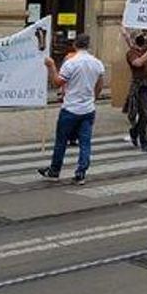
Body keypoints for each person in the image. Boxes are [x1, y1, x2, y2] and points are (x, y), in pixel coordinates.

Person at [38, 34, 106, 184]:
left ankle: (55, 171)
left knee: (61, 141)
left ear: (75, 45)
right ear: (88, 45)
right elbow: (100, 84)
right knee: (85, 142)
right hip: (88, 109)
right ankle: (81, 173)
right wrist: (93, 97)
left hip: (70, 108)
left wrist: (51, 67)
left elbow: (57, 82)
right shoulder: (97, 63)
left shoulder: (71, 63)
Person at [121, 28, 147, 153]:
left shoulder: (146, 49)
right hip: (140, 86)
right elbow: (137, 63)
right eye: (141, 36)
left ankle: (134, 131)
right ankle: (144, 141)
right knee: (144, 112)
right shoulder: (132, 53)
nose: (144, 38)